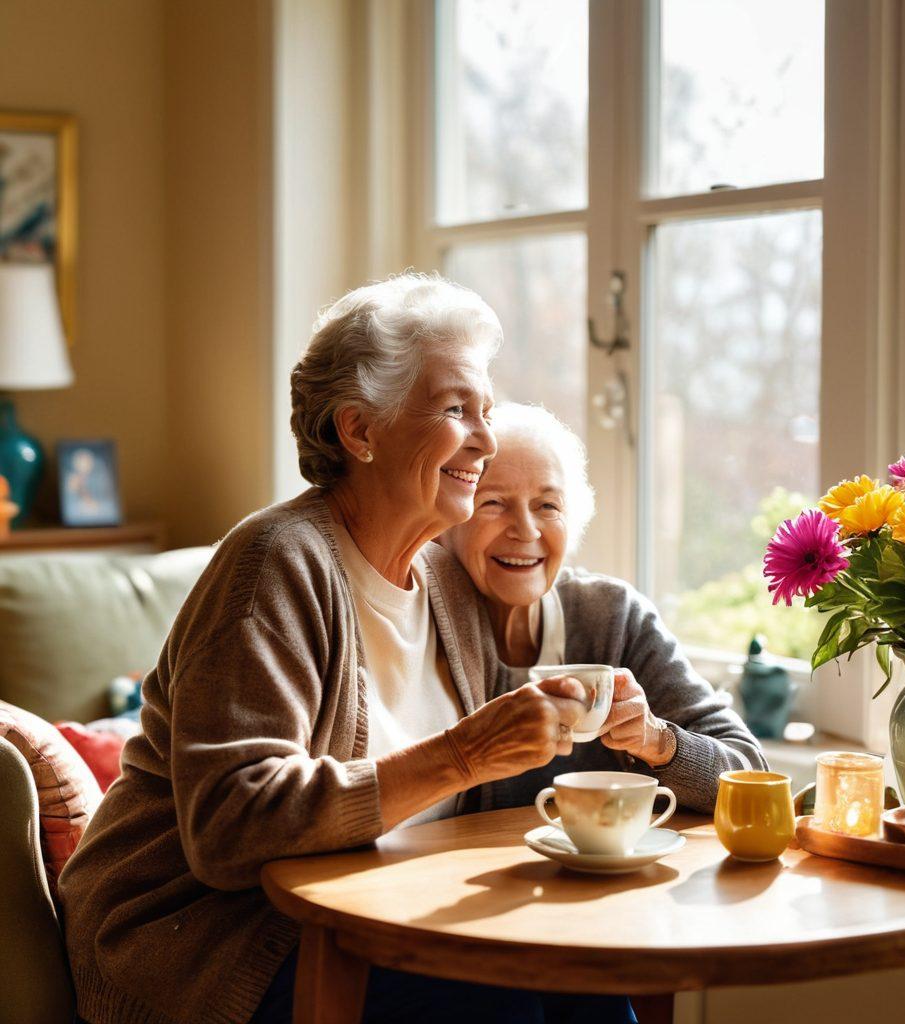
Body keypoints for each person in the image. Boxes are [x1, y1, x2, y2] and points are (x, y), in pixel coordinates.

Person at [60, 275, 633, 1024]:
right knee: (507, 999)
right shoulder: (275, 564)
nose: (486, 441)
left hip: (370, 909)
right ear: (359, 431)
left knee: (587, 984)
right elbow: (231, 829)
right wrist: (462, 754)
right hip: (207, 938)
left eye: (486, 412)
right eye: (458, 410)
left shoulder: (445, 578)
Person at [441, 402, 766, 813]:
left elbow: (750, 774)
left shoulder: (613, 617)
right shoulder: (423, 619)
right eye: (493, 503)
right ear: (449, 518)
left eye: (548, 506)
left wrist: (658, 740)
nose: (525, 530)